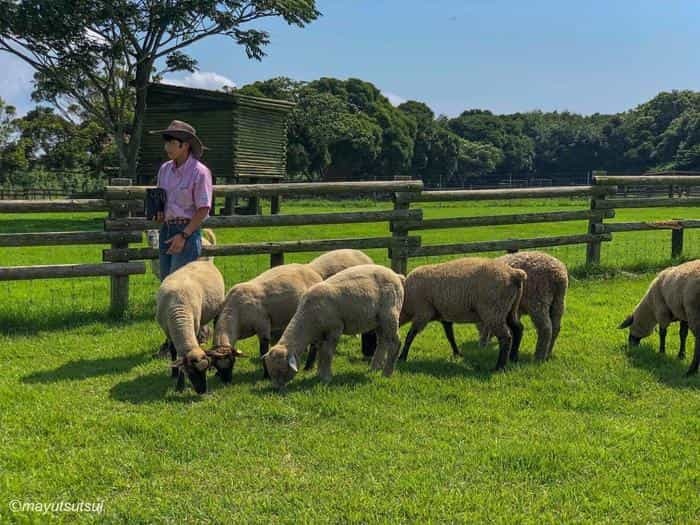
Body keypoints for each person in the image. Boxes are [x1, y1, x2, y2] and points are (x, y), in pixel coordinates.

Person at [149, 120, 213, 280]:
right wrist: (158, 212)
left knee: (178, 283)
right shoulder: (165, 169)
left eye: (172, 143)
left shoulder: (200, 172)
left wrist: (184, 235)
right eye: (166, 143)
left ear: (184, 145)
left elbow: (203, 208)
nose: (167, 147)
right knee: (165, 280)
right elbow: (160, 196)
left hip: (187, 231)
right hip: (166, 228)